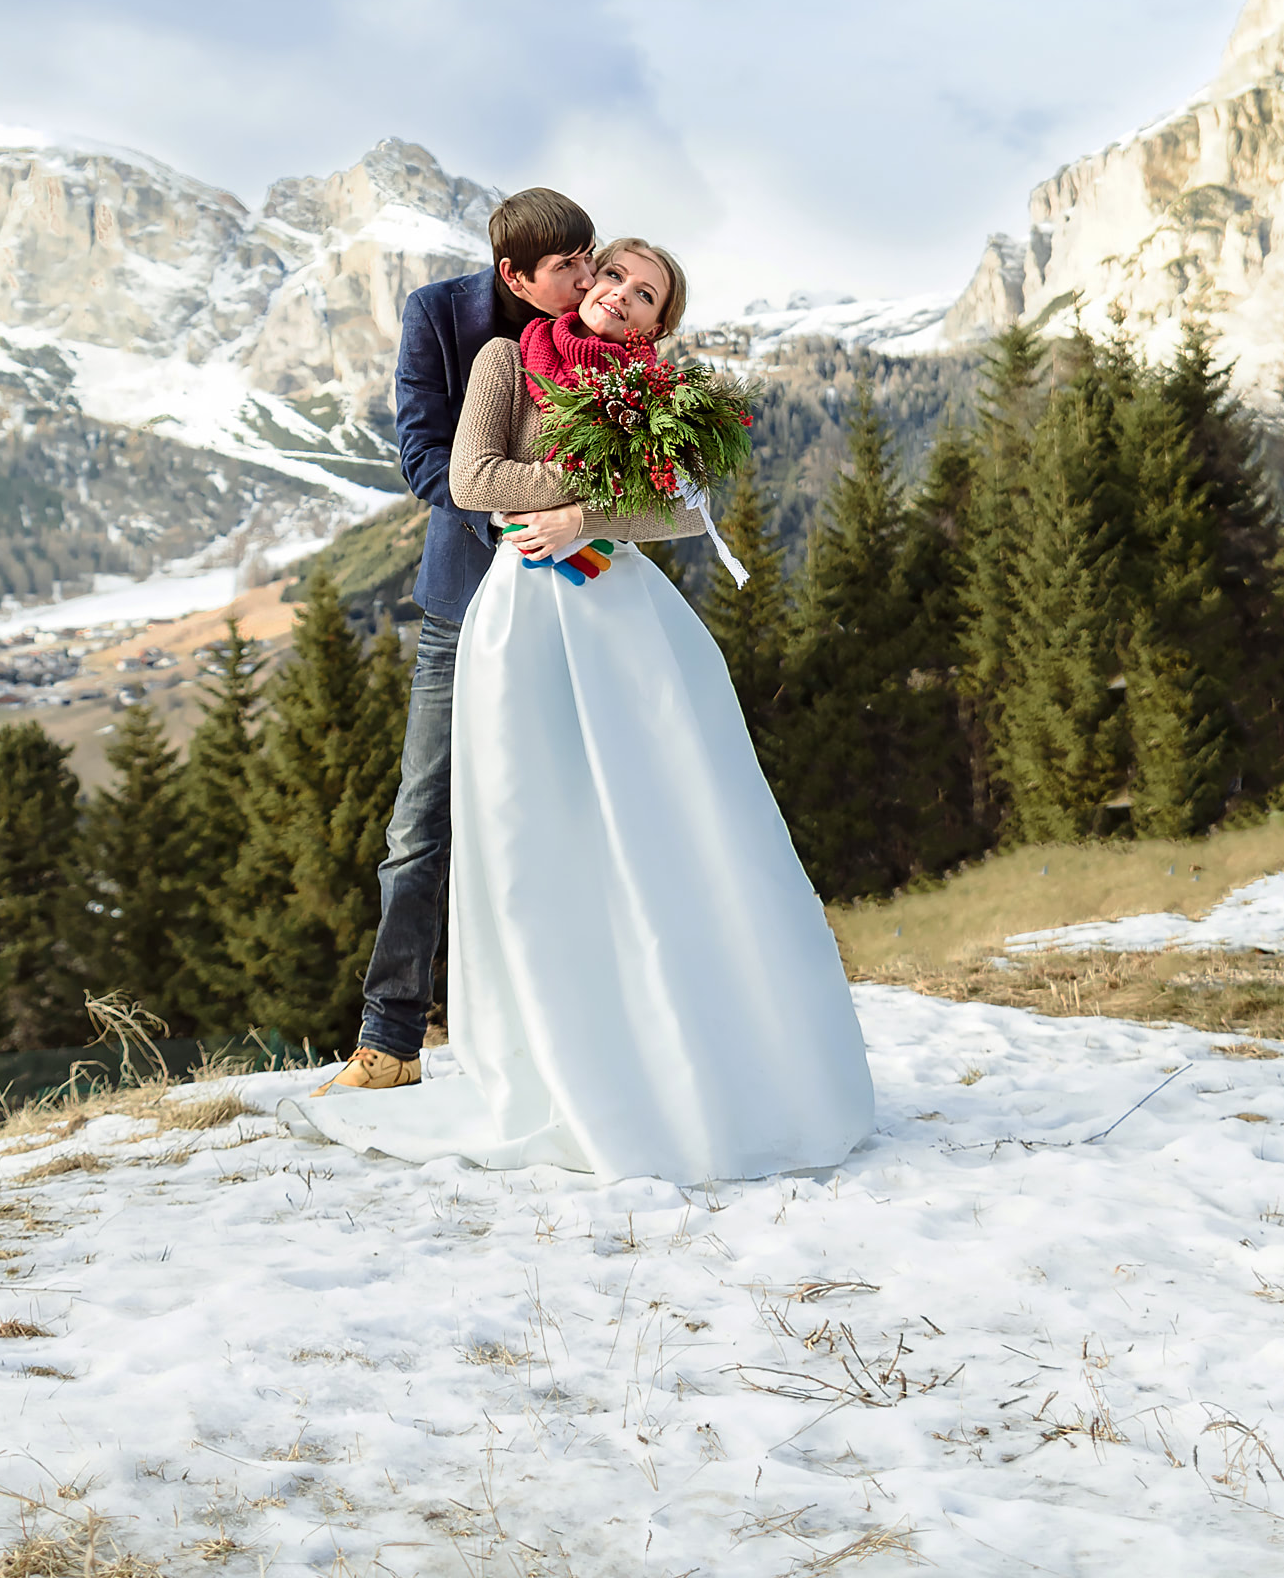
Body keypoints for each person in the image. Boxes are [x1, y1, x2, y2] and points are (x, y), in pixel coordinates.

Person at [288, 238, 878, 1182]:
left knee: (662, 819)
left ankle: (689, 1052)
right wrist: (599, 496)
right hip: (520, 612)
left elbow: (687, 509)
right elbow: (475, 479)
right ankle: (533, 1054)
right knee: (532, 822)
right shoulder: (506, 362)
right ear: (587, 280)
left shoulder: (664, 390)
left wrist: (590, 522)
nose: (627, 300)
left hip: (622, 617)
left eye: (649, 297)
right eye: (617, 279)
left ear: (658, 322)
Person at [316, 188, 600, 1094]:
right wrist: (529, 515)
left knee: (585, 813)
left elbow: (655, 476)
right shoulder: (440, 317)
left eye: (592, 258)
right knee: (420, 822)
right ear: (514, 274)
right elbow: (425, 457)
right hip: (466, 599)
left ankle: (579, 1037)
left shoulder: (611, 329)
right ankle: (389, 1043)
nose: (590, 279)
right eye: (569, 267)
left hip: (585, 600)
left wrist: (586, 514)